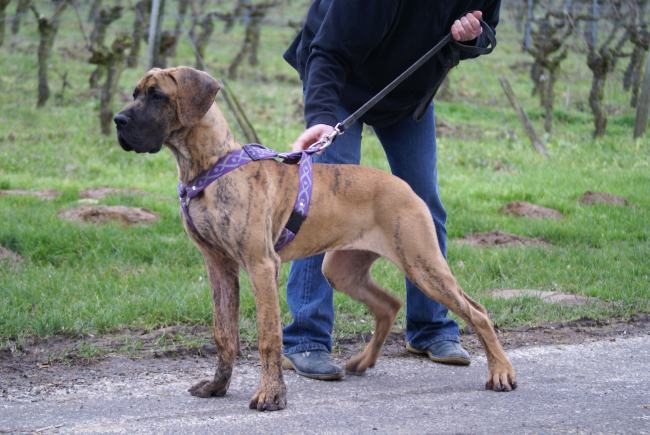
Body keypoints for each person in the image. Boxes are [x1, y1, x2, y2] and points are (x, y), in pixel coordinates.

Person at [281, 0, 501, 380]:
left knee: (423, 204)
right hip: (339, 80)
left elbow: (487, 31)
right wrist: (319, 119)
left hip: (405, 91)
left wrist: (471, 38)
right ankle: (306, 339)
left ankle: (430, 328)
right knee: (322, 206)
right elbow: (329, 51)